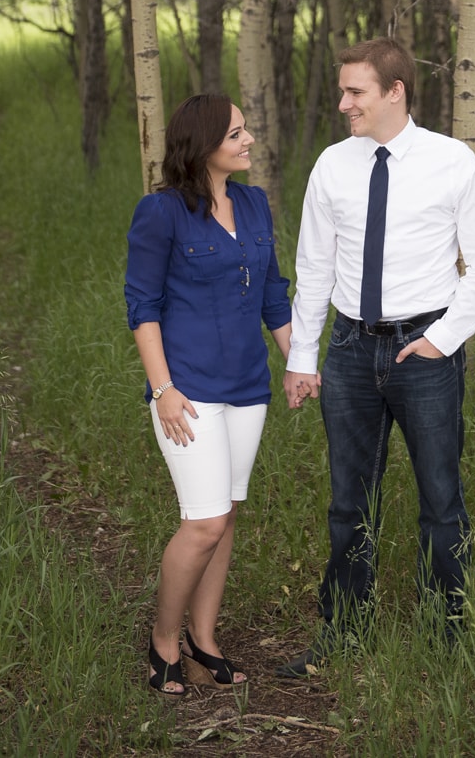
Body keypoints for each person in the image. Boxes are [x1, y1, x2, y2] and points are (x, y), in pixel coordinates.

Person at [277, 38, 475, 678]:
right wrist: (304, 357)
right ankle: (345, 628)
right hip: (349, 350)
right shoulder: (332, 165)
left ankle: (446, 633)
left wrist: (442, 339)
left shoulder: (452, 162)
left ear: (395, 91)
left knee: (440, 498)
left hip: (424, 347)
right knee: (349, 499)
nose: (344, 102)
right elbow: (314, 268)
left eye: (356, 92)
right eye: (343, 90)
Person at [125, 94, 294, 694]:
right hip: (188, 391)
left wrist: (296, 362)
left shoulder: (253, 204)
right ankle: (163, 641)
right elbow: (142, 308)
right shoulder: (161, 212)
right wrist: (163, 389)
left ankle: (204, 638)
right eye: (236, 133)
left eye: (246, 130)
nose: (249, 140)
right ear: (202, 146)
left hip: (249, 387)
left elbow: (273, 292)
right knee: (205, 521)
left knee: (226, 517)